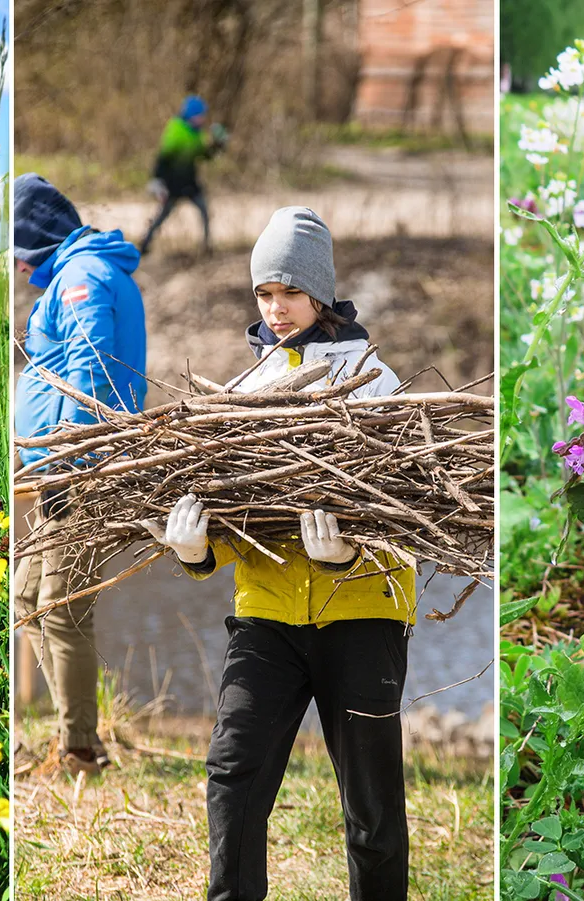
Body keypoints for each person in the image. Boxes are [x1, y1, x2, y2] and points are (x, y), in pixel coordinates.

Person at [142, 207, 413, 901]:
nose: (276, 307)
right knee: (233, 776)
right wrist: (195, 551)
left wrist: (349, 554)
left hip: (363, 616)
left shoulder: (375, 385)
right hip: (266, 617)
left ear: (320, 292)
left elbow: (413, 520)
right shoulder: (243, 393)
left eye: (289, 291)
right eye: (264, 293)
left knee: (372, 811)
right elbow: (231, 522)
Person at [12, 172, 147, 775]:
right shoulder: (72, 274)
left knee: (62, 606)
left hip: (82, 468)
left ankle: (79, 749)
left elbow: (92, 369)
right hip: (56, 470)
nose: (14, 268)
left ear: (36, 238)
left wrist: (68, 459)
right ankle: (70, 735)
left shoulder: (83, 278)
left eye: (16, 252)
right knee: (25, 598)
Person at [141, 93, 225, 256]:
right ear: (191, 115)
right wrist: (157, 180)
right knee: (162, 216)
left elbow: (204, 155)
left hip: (190, 182)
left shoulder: (197, 133)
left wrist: (217, 145)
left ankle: (207, 247)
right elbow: (163, 158)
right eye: (200, 115)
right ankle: (145, 244)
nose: (203, 119)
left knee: (204, 211)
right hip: (173, 184)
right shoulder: (176, 131)